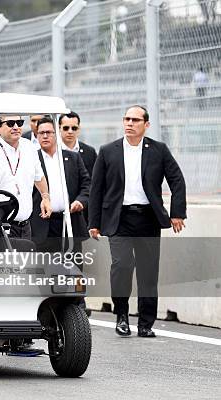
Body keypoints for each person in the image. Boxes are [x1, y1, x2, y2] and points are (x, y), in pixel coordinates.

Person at [89, 105, 186, 338]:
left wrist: (177, 213)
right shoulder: (108, 150)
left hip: (148, 219)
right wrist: (94, 222)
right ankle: (121, 315)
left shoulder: (159, 150)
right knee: (121, 266)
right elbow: (96, 189)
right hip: (118, 219)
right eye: (126, 119)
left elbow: (177, 180)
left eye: (135, 120)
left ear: (146, 124)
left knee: (148, 272)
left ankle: (146, 323)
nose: (129, 123)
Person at [30, 117, 90, 253]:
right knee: (44, 271)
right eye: (41, 133)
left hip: (69, 222)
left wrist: (80, 201)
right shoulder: (32, 160)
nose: (45, 136)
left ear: (57, 133)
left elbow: (87, 184)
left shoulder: (73, 158)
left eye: (49, 132)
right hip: (41, 226)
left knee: (73, 270)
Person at [0, 115, 52, 239]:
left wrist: (45, 197)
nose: (16, 127)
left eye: (19, 123)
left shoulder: (29, 146)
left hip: (24, 226)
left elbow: (39, 177)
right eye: (10, 123)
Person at [59, 111, 97, 179]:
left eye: (74, 128)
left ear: (79, 129)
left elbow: (96, 178)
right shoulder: (53, 151)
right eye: (66, 128)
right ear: (59, 128)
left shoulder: (90, 152)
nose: (70, 131)